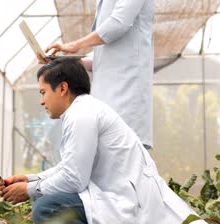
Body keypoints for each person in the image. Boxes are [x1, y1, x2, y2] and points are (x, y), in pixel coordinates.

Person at [0, 58, 216, 224]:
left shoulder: (81, 115)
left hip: (127, 201)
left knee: (47, 208)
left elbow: (74, 179)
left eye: (43, 92)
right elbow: (69, 167)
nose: (42, 100)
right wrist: (29, 179)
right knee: (46, 201)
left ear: (62, 88)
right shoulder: (84, 110)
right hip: (119, 197)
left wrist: (29, 190)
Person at [38, 0, 155, 149]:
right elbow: (101, 60)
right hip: (108, 101)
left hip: (127, 99)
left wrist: (74, 45)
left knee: (123, 157)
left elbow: (119, 23)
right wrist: (63, 61)